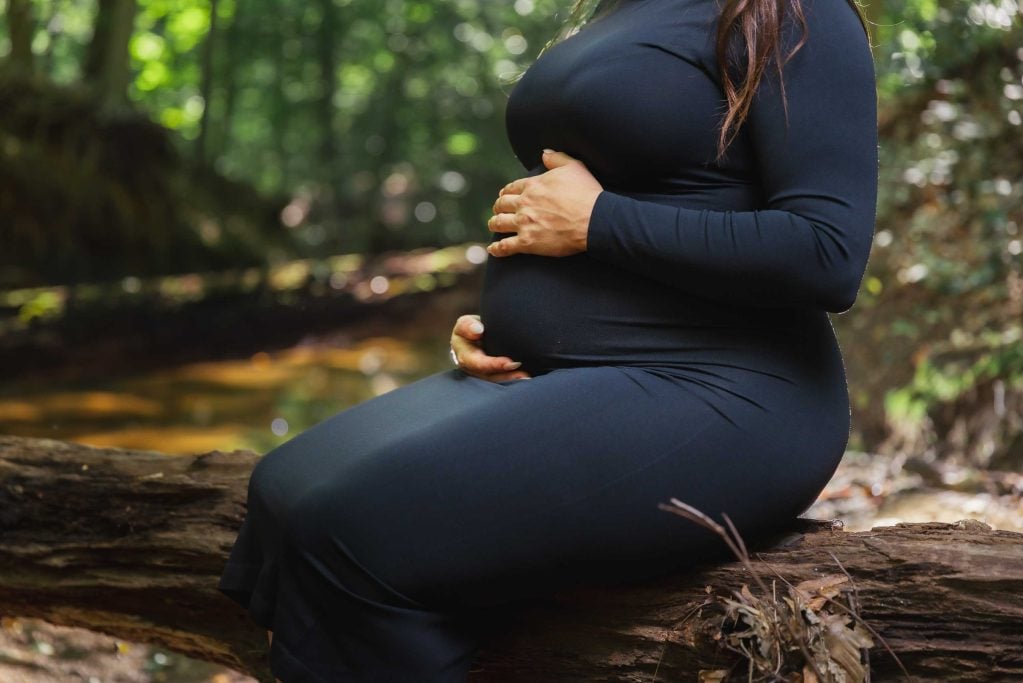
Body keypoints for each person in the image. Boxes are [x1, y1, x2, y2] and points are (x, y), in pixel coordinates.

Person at [217, 0, 878, 679]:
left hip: (734, 388)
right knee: (283, 487)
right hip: (562, 372)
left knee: (351, 530)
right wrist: (502, 322)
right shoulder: (628, 8)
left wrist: (601, 221)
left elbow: (827, 253)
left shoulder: (796, 14)